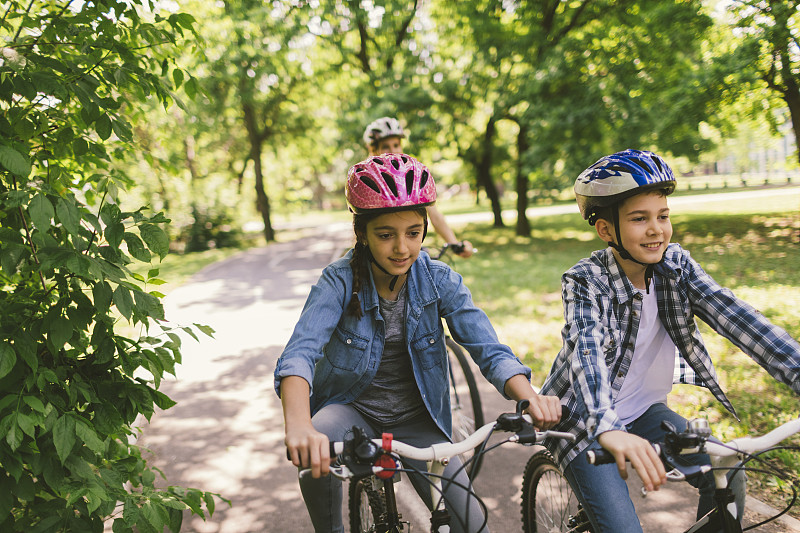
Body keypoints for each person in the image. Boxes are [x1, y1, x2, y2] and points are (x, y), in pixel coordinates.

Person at [275, 153, 562, 533]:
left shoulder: (439, 279)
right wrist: (299, 426)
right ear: (362, 233)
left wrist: (529, 395)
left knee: (474, 527)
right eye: (385, 234)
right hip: (351, 412)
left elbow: (487, 348)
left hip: (418, 419)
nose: (402, 248)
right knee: (318, 452)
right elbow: (300, 354)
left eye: (413, 232)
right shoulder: (338, 281)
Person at [539, 149, 800, 533]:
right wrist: (607, 428)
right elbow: (587, 352)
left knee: (729, 473)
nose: (656, 229)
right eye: (639, 219)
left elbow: (738, 318)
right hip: (584, 421)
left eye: (663, 216)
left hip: (645, 413)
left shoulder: (676, 267)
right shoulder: (585, 281)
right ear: (607, 230)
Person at [363, 116, 475, 258]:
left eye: (396, 145)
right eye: (385, 146)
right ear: (373, 150)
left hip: (409, 251)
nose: (393, 151)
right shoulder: (367, 180)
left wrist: (454, 243)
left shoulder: (411, 176)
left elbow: (434, 215)